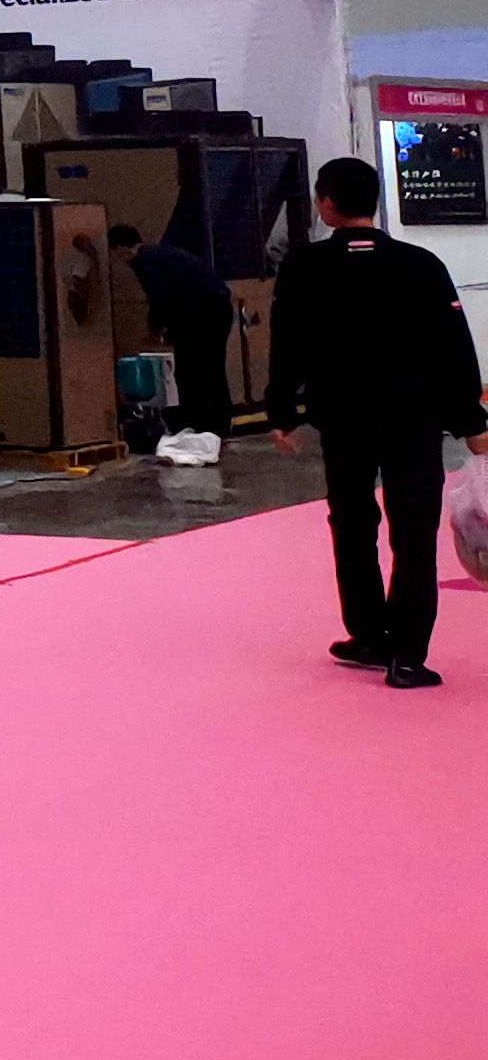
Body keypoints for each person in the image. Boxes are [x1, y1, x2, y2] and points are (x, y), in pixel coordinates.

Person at [265, 157, 486, 690]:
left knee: (351, 522)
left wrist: (282, 413)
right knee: (414, 532)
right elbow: (453, 349)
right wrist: (471, 421)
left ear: (326, 204)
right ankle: (407, 654)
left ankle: (367, 635)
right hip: (414, 417)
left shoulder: (305, 266)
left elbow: (286, 345)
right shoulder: (420, 264)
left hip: (342, 417)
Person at [110, 221, 237, 440]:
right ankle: (219, 425)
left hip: (201, 313)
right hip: (217, 307)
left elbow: (160, 298)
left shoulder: (143, 260)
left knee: (190, 370)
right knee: (212, 368)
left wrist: (155, 329)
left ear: (121, 248)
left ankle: (195, 424)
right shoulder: (161, 253)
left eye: (114, 252)